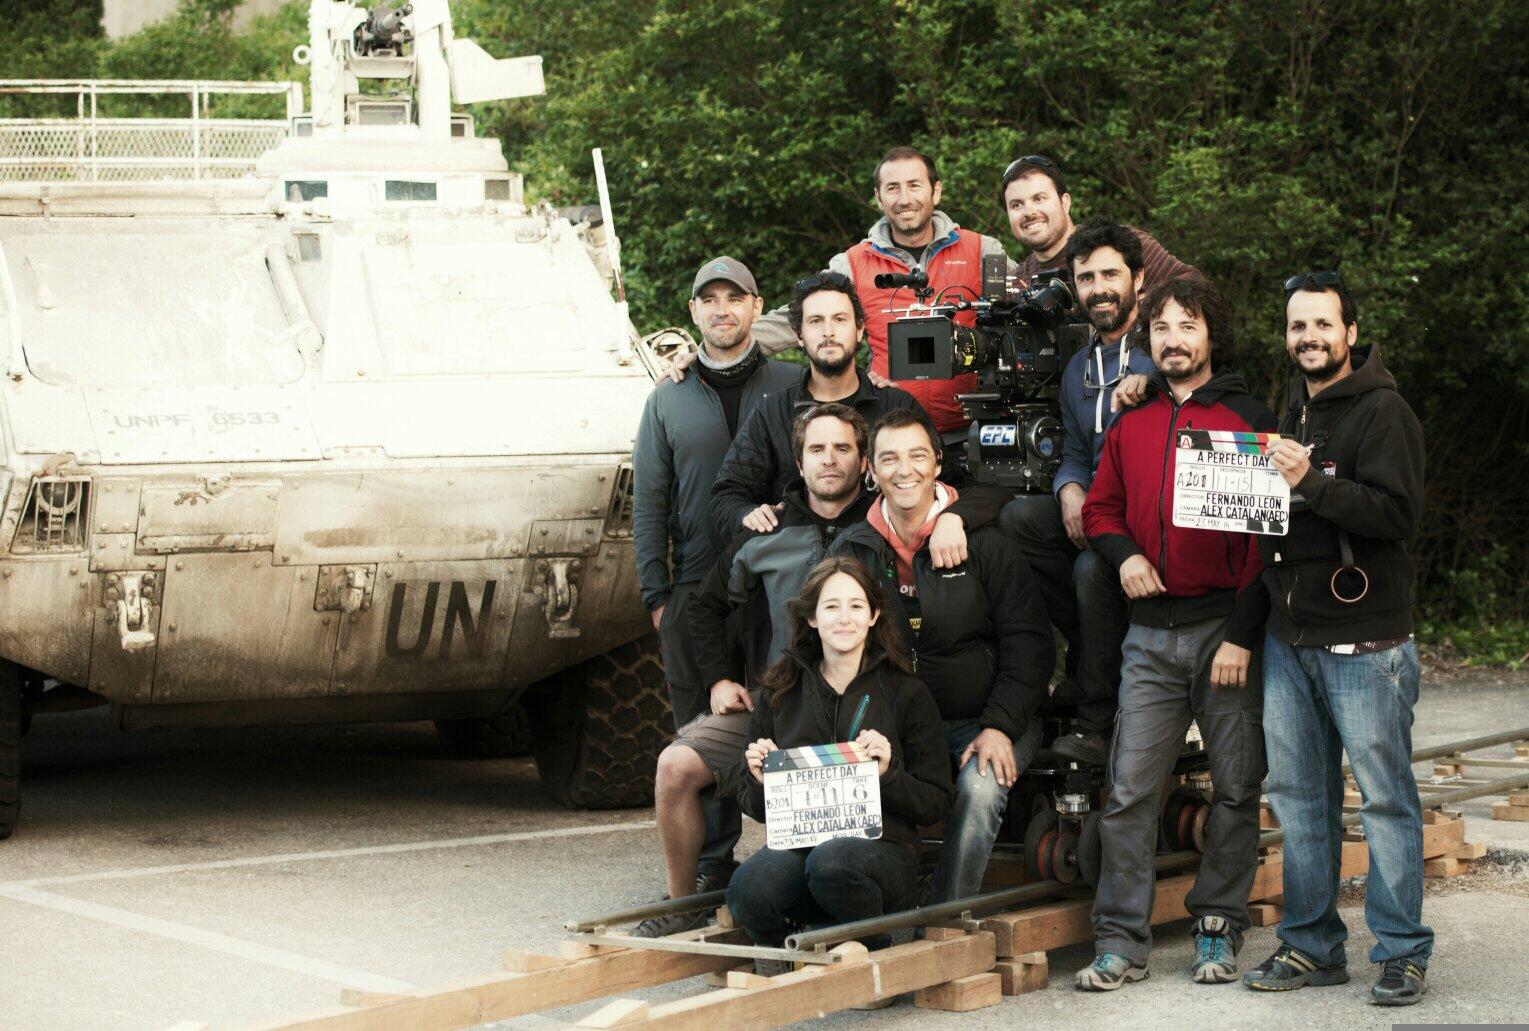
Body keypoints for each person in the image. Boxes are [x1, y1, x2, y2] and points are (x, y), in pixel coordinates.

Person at [1076, 277, 1274, 990]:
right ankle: (1119, 941)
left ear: (1210, 334)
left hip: (1225, 631)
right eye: (1160, 327)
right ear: (1147, 340)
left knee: (1235, 785)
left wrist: (1242, 635)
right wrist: (1124, 555)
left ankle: (1218, 924)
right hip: (1149, 637)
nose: (1173, 339)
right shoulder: (1130, 420)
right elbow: (1099, 510)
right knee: (1130, 790)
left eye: (1187, 325)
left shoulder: (1247, 417)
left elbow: (1266, 544)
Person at [1241, 272, 1431, 1005]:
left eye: (1323, 325)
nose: (1309, 338)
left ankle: (1402, 951)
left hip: (1366, 641)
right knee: (1299, 799)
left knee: (1384, 799)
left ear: (1350, 332)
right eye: (1298, 326)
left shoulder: (1385, 411)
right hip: (1290, 638)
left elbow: (1397, 514)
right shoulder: (1294, 407)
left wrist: (1309, 483)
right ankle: (1311, 944)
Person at [636, 404, 873, 936]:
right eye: (816, 449)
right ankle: (683, 903)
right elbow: (704, 606)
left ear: (864, 461)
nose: (829, 460)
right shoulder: (766, 530)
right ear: (798, 462)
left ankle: (833, 904)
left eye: (842, 448)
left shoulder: (881, 526)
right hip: (776, 707)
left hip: (861, 712)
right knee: (675, 767)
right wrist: (719, 678)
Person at [828, 407, 1054, 903]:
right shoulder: (852, 549)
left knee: (980, 787)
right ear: (871, 470)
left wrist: (999, 726)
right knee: (849, 787)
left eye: (916, 456)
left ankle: (946, 917)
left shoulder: (985, 542)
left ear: (936, 462)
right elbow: (828, 646)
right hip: (899, 725)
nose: (903, 470)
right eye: (889, 458)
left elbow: (1030, 645)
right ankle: (871, 911)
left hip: (985, 716)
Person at [632, 256, 798, 896]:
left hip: (780, 586)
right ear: (693, 312)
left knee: (788, 711)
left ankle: (797, 856)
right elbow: (650, 501)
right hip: (696, 588)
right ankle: (711, 863)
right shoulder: (666, 398)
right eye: (710, 300)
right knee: (701, 725)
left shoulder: (792, 383)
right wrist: (658, 594)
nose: (723, 309)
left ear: (757, 307)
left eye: (736, 297)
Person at [728, 555, 951, 974]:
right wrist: (759, 781)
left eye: (856, 605)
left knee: (831, 863)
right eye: (831, 606)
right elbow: (751, 803)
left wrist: (888, 774)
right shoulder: (780, 692)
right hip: (800, 849)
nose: (844, 618)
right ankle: (783, 946)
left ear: (874, 615)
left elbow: (936, 803)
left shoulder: (907, 693)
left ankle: (871, 944)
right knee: (747, 889)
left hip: (883, 857)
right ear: (812, 618)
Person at [1000, 219, 1162, 766]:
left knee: (1092, 567)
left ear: (1138, 279)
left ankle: (1096, 720)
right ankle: (1089, 650)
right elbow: (1074, 449)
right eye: (1086, 278)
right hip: (1097, 508)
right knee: (1017, 521)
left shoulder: (1163, 348)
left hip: (1147, 514)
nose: (1099, 289)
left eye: (1110, 275)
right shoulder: (1077, 368)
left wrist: (1155, 382)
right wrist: (1069, 489)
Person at [711, 270, 1003, 552]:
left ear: (860, 329)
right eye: (816, 321)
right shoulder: (773, 412)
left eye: (839, 319)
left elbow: (956, 484)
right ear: (799, 335)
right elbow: (726, 495)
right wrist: (745, 514)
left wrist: (954, 517)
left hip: (885, 564)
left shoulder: (896, 406)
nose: (828, 332)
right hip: (800, 568)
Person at [750, 147, 1013, 433]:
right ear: (878, 198)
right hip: (889, 432)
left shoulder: (981, 250)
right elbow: (800, 316)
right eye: (892, 188)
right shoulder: (853, 263)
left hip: (974, 428)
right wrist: (722, 348)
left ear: (936, 191)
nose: (904, 199)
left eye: (914, 185)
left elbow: (1030, 308)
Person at [998, 154, 1194, 290]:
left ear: (1064, 202)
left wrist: (1140, 309)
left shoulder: (1118, 244)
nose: (1029, 212)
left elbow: (1193, 284)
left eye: (1039, 198)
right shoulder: (1017, 284)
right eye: (1016, 205)